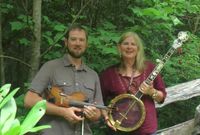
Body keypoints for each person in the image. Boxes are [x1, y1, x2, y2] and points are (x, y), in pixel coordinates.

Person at [24, 24, 104, 135]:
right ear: (66, 42)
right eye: (73, 39)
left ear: (86, 44)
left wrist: (93, 114)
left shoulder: (93, 75)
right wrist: (63, 112)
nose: (77, 43)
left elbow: (98, 113)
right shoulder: (50, 67)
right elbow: (29, 100)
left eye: (81, 40)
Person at [100, 31, 167, 135]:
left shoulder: (150, 68)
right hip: (119, 130)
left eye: (133, 44)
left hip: (147, 130)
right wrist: (106, 118)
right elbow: (99, 100)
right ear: (119, 47)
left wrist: (151, 91)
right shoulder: (109, 74)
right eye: (125, 43)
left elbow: (162, 97)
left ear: (138, 49)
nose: (129, 47)